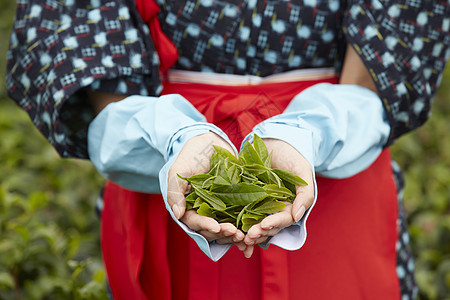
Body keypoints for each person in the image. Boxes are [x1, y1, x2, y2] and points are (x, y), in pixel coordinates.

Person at [6, 0, 449, 299]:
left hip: (333, 172)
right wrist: (180, 139)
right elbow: (103, 93)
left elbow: (371, 82)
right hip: (168, 175)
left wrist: (301, 135)